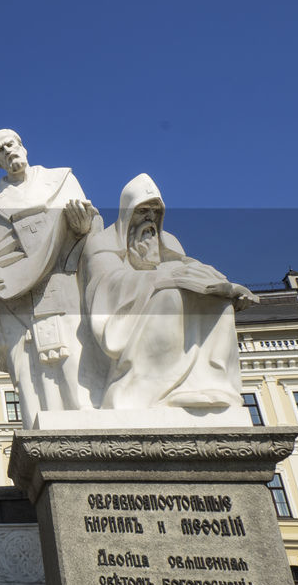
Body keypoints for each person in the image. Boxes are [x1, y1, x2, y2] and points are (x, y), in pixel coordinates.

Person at [81, 174, 256, 411]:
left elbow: (190, 267)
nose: (150, 217)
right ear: (127, 212)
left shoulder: (168, 241)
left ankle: (210, 383)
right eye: (143, 210)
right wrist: (160, 276)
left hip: (162, 297)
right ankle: (146, 389)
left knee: (218, 303)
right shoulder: (103, 242)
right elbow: (106, 284)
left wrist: (227, 286)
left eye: (156, 211)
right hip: (128, 316)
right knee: (170, 297)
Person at [0, 129, 104, 424]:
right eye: (0, 151)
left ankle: (87, 418)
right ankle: (43, 425)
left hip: (68, 281)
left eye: (10, 145)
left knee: (77, 352)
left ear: (23, 147)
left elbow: (94, 232)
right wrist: (10, 279)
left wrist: (83, 226)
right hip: (20, 298)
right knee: (34, 370)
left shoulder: (60, 180)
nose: (8, 151)